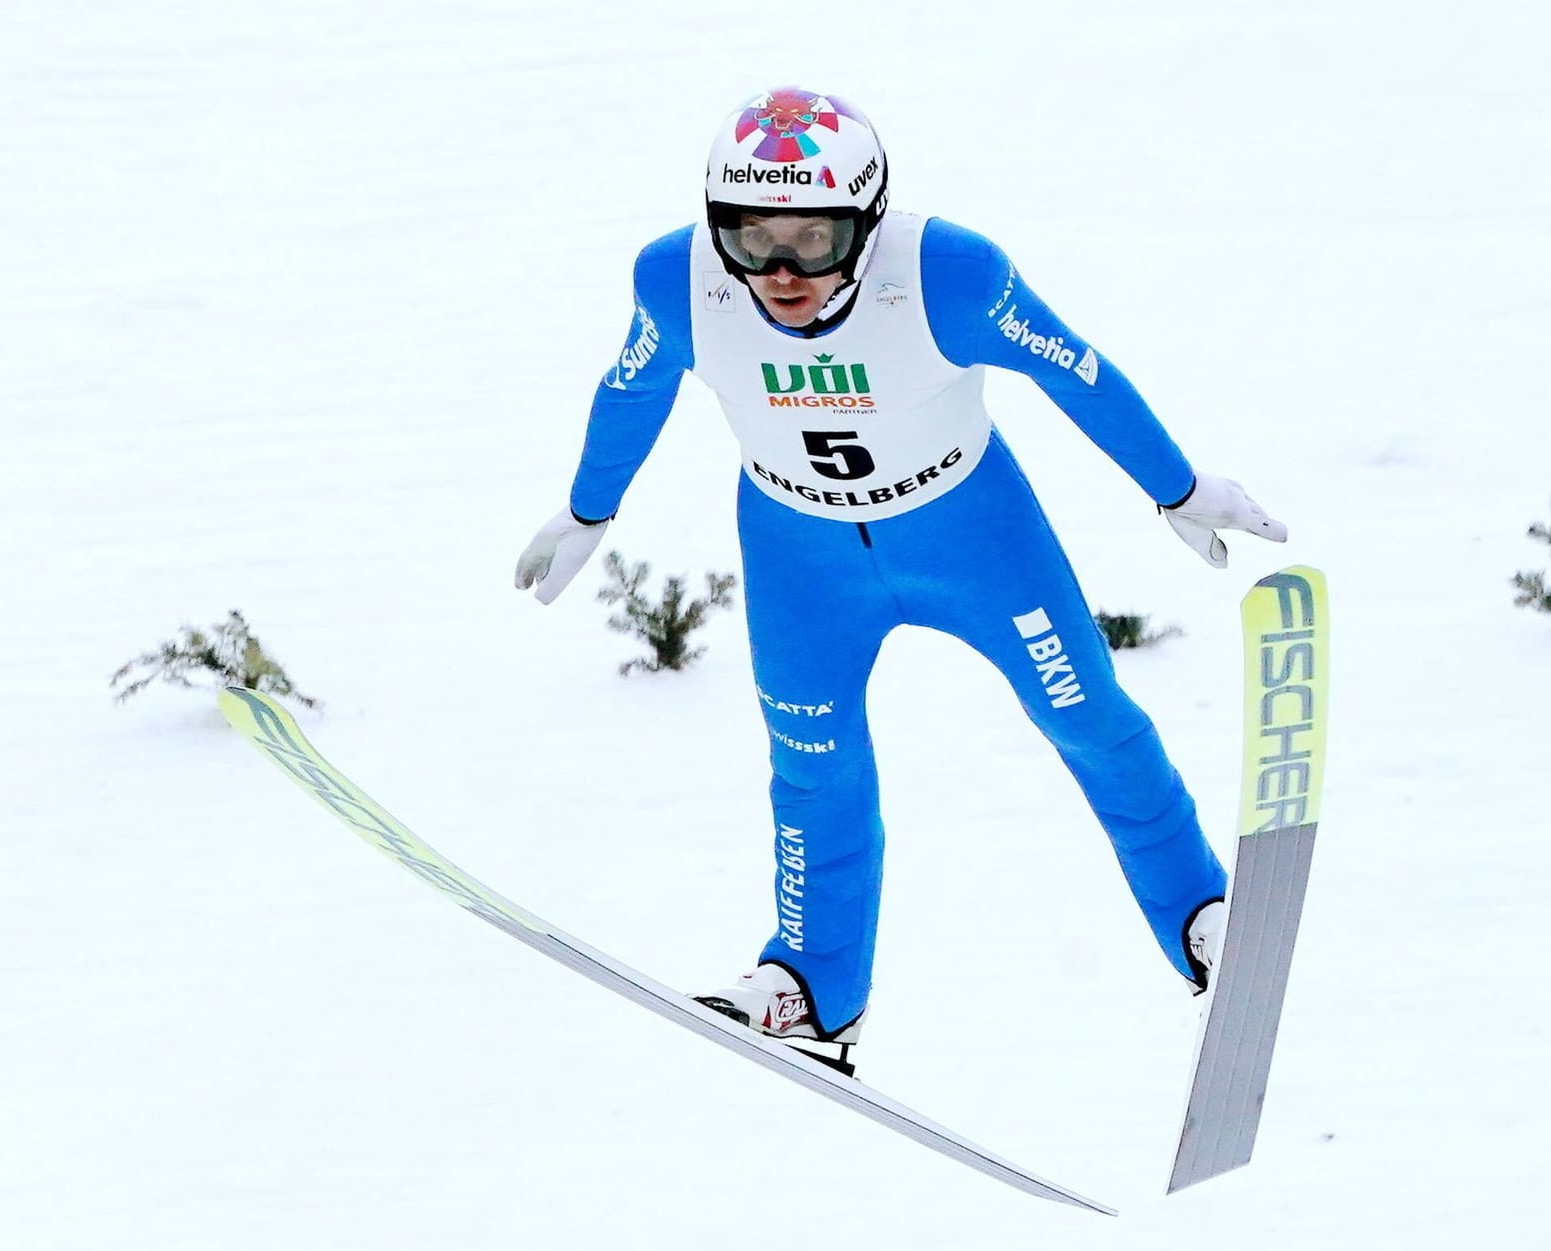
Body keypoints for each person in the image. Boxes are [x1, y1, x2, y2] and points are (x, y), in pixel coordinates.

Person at [515, 87, 1285, 1074]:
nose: (782, 273)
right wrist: (589, 510)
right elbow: (632, 385)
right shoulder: (677, 281)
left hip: (970, 530)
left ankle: (1200, 911)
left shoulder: (948, 277)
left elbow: (1075, 370)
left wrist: (1177, 488)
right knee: (811, 762)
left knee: (1084, 710)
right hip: (801, 552)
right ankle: (814, 985)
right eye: (752, 241)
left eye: (815, 240)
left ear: (869, 224)